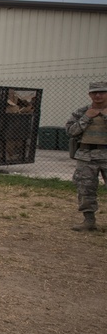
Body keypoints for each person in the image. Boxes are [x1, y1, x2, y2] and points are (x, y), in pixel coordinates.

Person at [65, 80, 107, 231]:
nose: (98, 95)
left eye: (102, 92)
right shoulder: (81, 112)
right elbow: (70, 132)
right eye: (94, 93)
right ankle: (89, 221)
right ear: (89, 94)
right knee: (85, 189)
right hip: (86, 156)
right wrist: (86, 118)